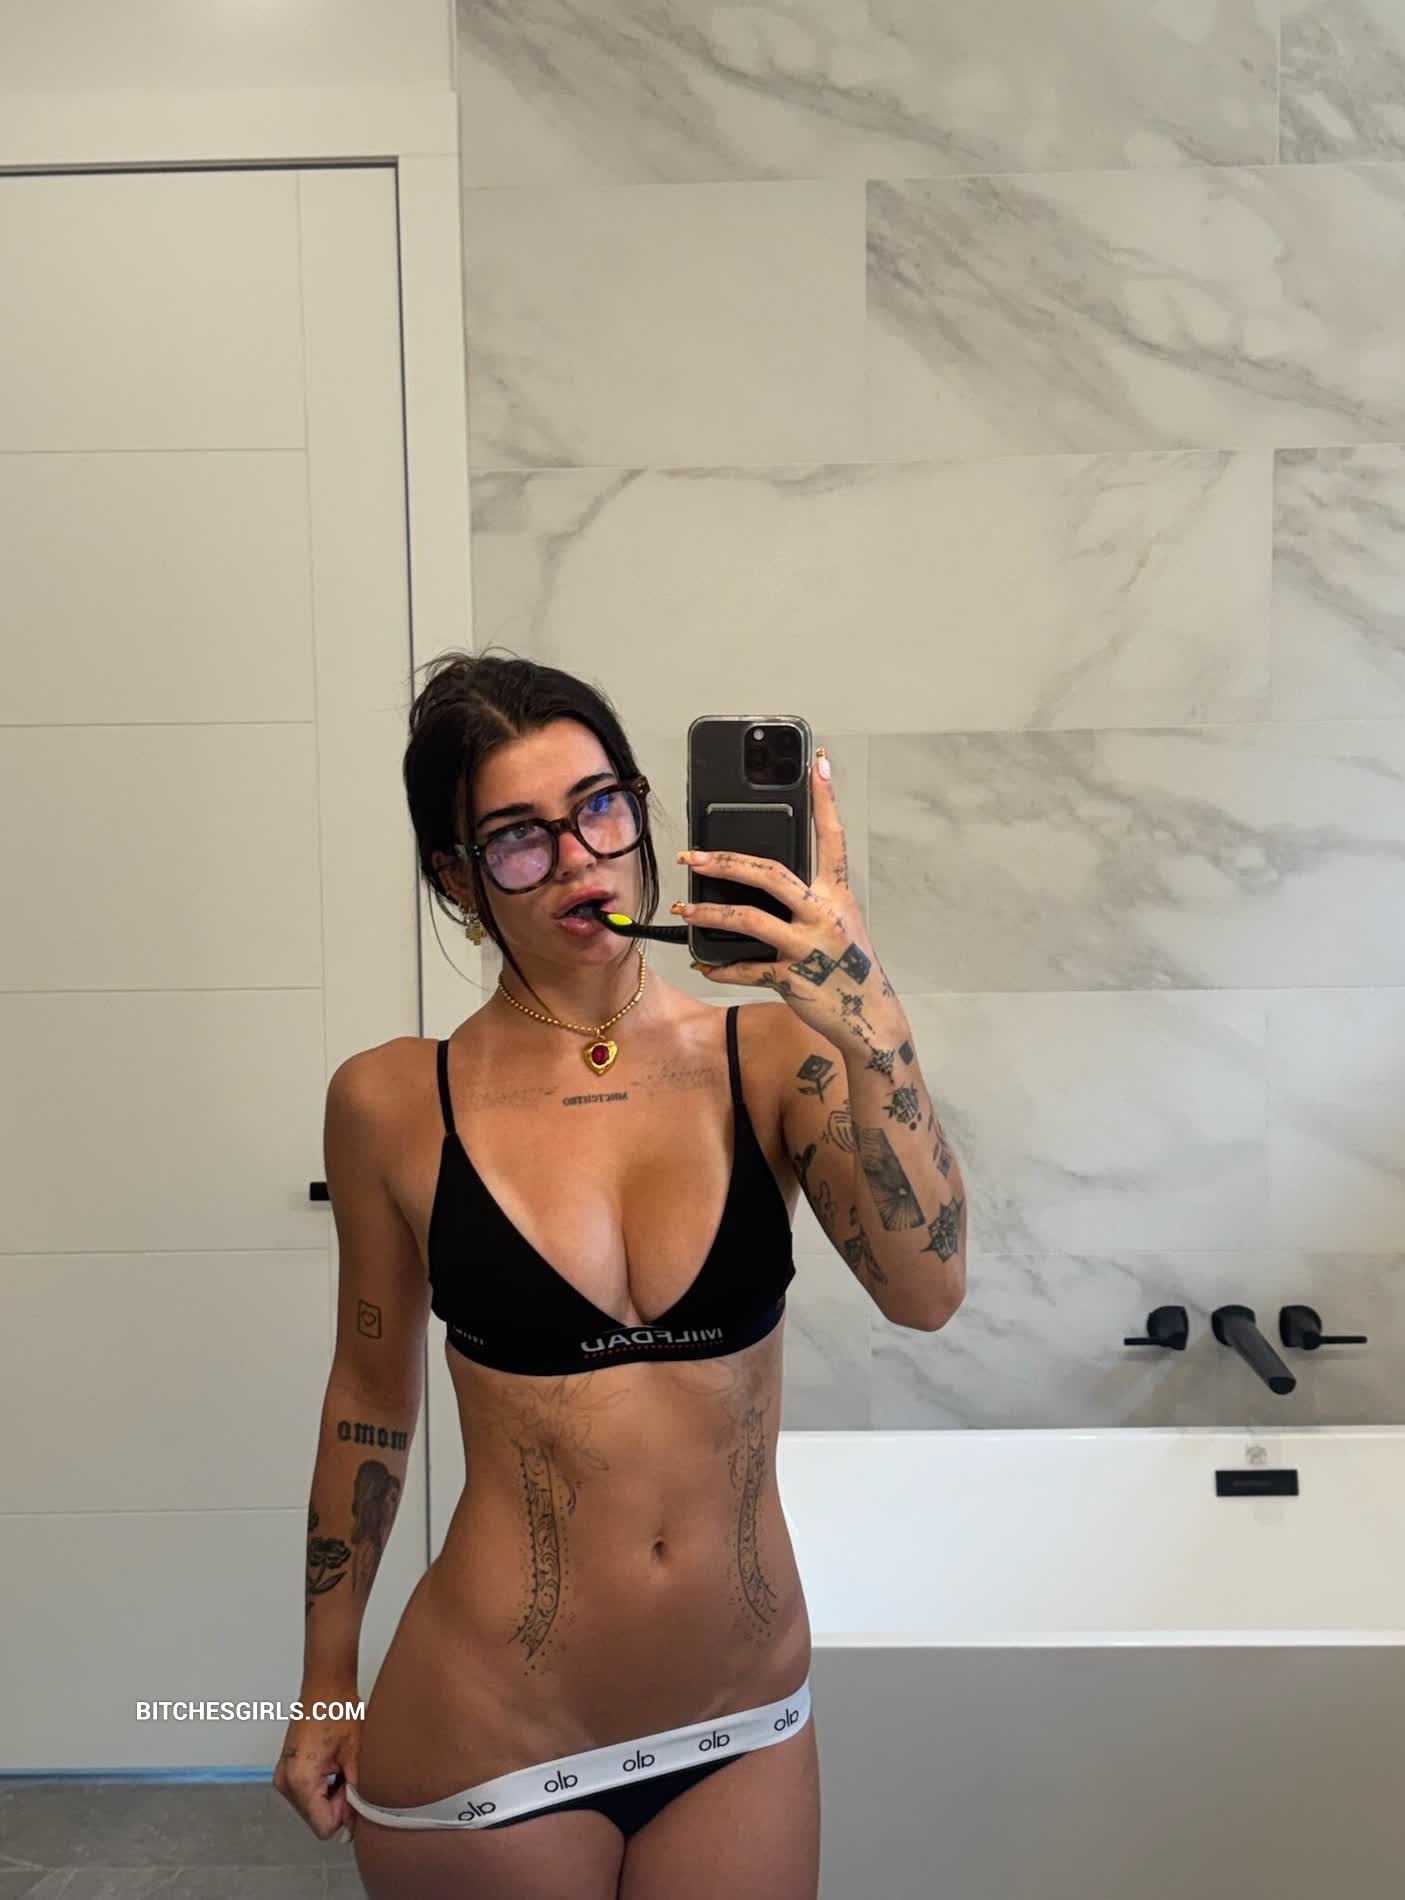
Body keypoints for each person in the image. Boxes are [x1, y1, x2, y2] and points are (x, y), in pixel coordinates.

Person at [273, 648, 966, 1900]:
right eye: (519, 838)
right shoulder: (392, 1101)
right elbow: (369, 1397)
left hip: (740, 1724)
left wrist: (868, 1014)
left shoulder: (776, 1059)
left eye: (600, 806)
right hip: (492, 1738)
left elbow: (928, 1293)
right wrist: (327, 1682)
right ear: (458, 878)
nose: (579, 858)